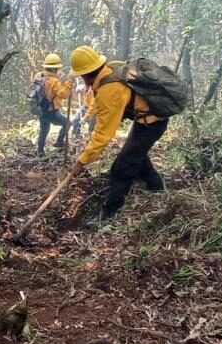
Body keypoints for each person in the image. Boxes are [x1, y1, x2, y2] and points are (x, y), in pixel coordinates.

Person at [67, 45, 168, 222]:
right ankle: (158, 190)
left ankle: (109, 213)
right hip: (146, 119)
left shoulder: (110, 90)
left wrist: (81, 162)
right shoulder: (111, 69)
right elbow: (99, 104)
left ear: (85, 74)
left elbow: (102, 136)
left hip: (152, 122)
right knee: (137, 155)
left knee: (122, 167)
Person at [30, 53, 73, 157]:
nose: (59, 71)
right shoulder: (53, 81)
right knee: (67, 123)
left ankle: (40, 152)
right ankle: (59, 143)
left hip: (39, 109)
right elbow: (64, 94)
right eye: (58, 68)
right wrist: (69, 81)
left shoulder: (38, 75)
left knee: (44, 129)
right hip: (50, 111)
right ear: (54, 69)